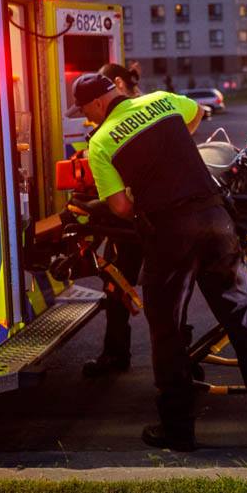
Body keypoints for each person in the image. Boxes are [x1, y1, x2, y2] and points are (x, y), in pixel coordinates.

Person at [70, 73, 247, 451]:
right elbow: (197, 114)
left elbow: (120, 207)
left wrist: (146, 186)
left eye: (86, 111)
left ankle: (178, 430)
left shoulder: (102, 141)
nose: (87, 118)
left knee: (167, 331)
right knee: (242, 320)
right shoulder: (161, 100)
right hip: (217, 219)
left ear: (97, 104)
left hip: (171, 232)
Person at [80, 63, 145, 377]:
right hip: (146, 214)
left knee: (118, 285)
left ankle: (117, 354)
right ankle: (117, 352)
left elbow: (119, 202)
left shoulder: (123, 122)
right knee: (122, 287)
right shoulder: (152, 109)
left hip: (135, 219)